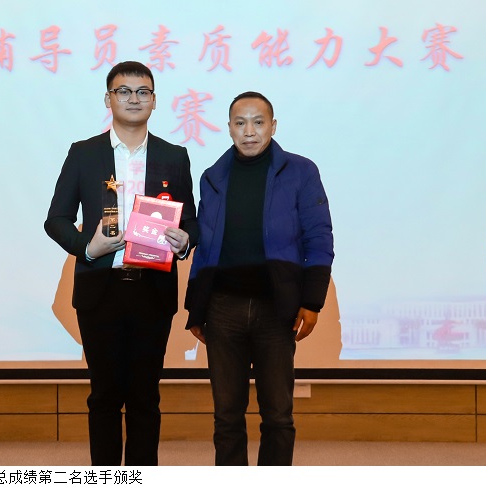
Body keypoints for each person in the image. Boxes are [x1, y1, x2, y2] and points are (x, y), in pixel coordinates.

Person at [44, 61, 198, 466]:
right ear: (108, 99)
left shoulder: (174, 156)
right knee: (105, 396)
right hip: (100, 290)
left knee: (145, 396)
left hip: (153, 289)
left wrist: (185, 242)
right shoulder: (83, 153)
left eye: (142, 92)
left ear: (154, 101)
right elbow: (56, 219)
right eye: (124, 91)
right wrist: (88, 248)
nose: (133, 99)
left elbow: (192, 222)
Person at [185, 91, 334, 466]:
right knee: (226, 417)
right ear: (229, 128)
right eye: (240, 123)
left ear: (273, 126)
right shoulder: (212, 177)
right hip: (222, 308)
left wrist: (312, 301)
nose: (249, 131)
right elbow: (206, 247)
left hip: (276, 308)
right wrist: (196, 309)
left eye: (258, 122)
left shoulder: (301, 172)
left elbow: (319, 238)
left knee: (278, 416)